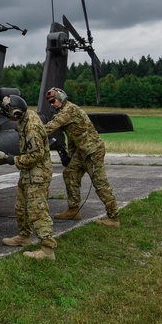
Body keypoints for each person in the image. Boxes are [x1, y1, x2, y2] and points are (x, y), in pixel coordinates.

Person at [44, 87, 120, 227]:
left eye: (53, 101)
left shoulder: (69, 110)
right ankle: (73, 210)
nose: (51, 104)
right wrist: (71, 154)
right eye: (49, 102)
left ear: (61, 98)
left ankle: (113, 218)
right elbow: (72, 136)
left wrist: (34, 130)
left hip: (93, 151)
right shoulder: (66, 111)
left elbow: (51, 127)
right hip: (82, 151)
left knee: (100, 184)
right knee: (70, 174)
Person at [0, 95, 57, 260]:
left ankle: (47, 250)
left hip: (38, 174)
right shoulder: (25, 118)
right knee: (21, 207)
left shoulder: (32, 128)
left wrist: (12, 159)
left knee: (38, 210)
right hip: (28, 172)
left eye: (9, 114)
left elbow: (36, 155)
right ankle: (24, 237)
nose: (8, 118)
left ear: (16, 113)